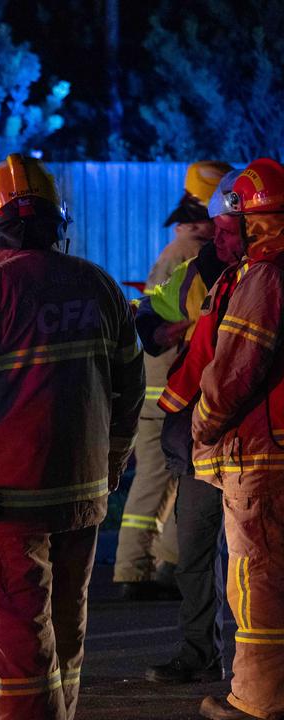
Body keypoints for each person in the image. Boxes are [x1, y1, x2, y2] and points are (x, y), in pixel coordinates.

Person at [0, 154, 145, 720]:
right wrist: (111, 463)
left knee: (19, 645)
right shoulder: (101, 287)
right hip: (82, 495)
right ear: (57, 221)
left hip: (6, 501)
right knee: (67, 625)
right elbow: (130, 391)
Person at [189, 157, 284, 720]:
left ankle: (257, 699)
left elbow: (235, 371)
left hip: (260, 453)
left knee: (258, 580)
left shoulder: (266, 277)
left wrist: (202, 422)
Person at [144, 168, 244, 684]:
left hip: (251, 442)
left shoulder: (265, 277)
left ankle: (255, 670)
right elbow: (150, 316)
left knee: (255, 564)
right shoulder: (203, 271)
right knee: (195, 555)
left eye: (228, 228)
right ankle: (198, 651)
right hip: (201, 440)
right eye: (216, 227)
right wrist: (162, 328)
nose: (216, 236)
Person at [115, 160, 233, 599]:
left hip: (164, 388)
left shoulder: (180, 253)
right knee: (156, 480)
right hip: (166, 390)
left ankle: (161, 566)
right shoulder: (187, 258)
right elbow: (167, 326)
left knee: (172, 479)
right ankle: (134, 569)